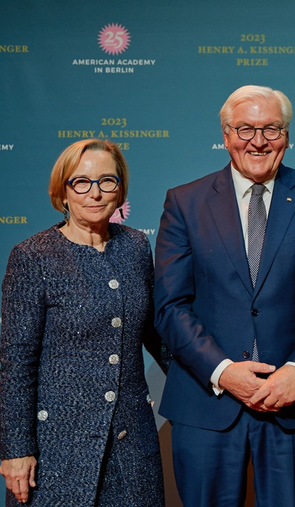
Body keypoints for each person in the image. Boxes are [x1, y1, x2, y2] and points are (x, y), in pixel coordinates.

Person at [154, 85, 295, 507]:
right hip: (207, 402)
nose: (258, 141)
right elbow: (171, 306)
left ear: (287, 135)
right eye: (245, 129)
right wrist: (223, 370)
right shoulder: (185, 203)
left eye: (271, 129)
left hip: (292, 405)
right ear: (225, 136)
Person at [0, 139, 168, 507]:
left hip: (131, 446)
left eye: (107, 181)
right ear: (62, 190)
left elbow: (157, 335)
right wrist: (16, 449)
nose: (95, 193)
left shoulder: (137, 246)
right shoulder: (33, 256)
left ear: (120, 189)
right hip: (56, 451)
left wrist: (217, 377)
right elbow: (15, 363)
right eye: (81, 182)